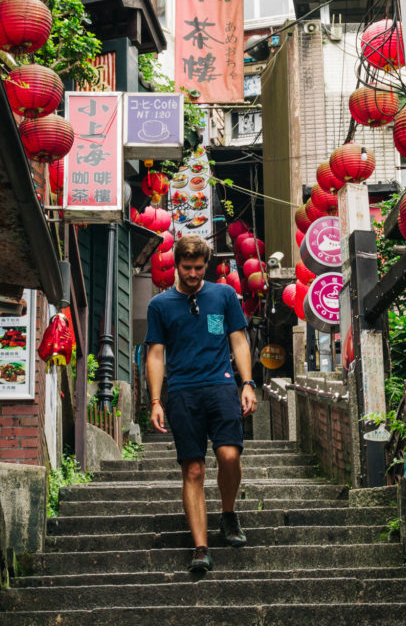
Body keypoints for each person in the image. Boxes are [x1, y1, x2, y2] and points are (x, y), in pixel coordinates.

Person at [145, 233, 258, 573]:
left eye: (197, 268)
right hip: (182, 392)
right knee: (192, 469)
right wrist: (155, 400)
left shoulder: (224, 295)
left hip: (221, 387)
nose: (192, 274)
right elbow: (155, 353)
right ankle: (200, 547)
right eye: (186, 268)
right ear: (176, 266)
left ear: (206, 265)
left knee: (229, 455)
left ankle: (227, 513)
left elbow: (238, 341)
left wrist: (248, 383)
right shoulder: (160, 305)